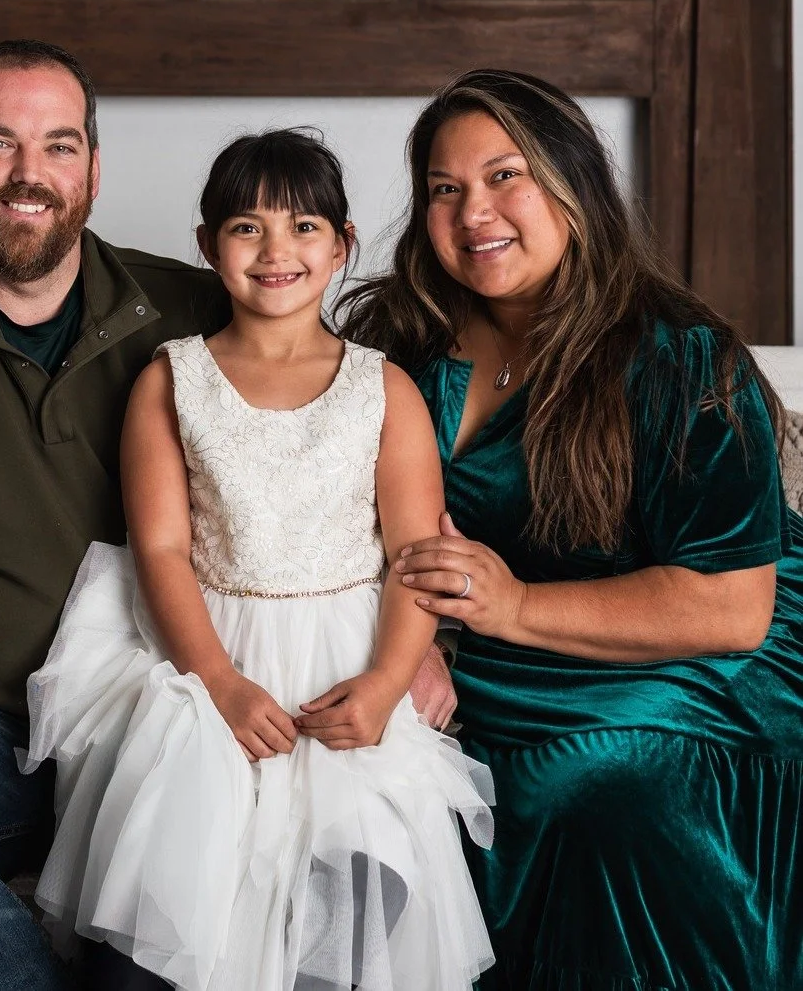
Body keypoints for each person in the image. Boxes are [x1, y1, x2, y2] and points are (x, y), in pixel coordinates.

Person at [0, 44, 457, 991]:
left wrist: (413, 634)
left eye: (59, 145)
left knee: (350, 842)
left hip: (179, 694)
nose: (31, 173)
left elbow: (353, 445)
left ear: (94, 172)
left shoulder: (200, 307)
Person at [341, 68, 803, 991]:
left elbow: (733, 605)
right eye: (445, 188)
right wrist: (416, 638)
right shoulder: (399, 335)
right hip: (500, 652)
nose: (476, 211)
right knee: (395, 780)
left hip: (699, 650)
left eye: (506, 174)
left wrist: (507, 604)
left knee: (587, 779)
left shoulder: (677, 352)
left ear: (574, 183)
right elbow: (337, 512)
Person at [25, 129, 495, 991]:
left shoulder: (382, 388)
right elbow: (161, 548)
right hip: (207, 659)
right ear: (207, 247)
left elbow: (416, 558)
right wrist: (218, 681)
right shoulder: (171, 380)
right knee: (164, 921)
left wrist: (390, 680)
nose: (277, 250)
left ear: (344, 244)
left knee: (351, 909)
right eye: (246, 227)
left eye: (305, 227)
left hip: (346, 667)